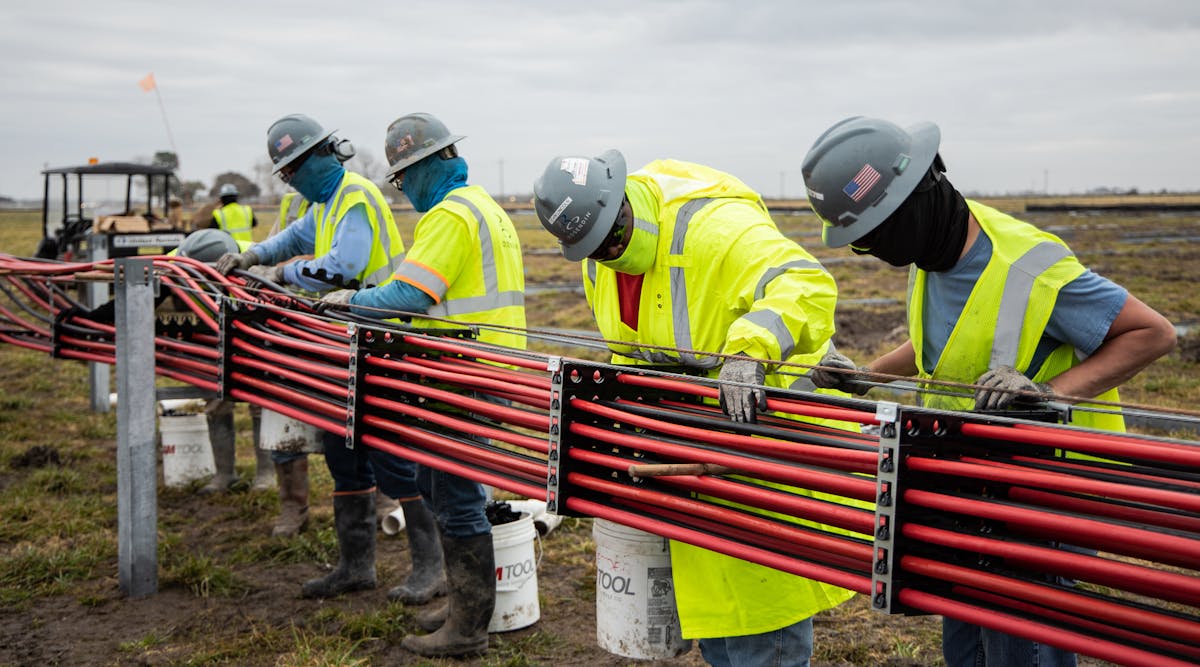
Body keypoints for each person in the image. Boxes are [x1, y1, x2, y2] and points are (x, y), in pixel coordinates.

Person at [800, 116, 1177, 667]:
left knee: (1020, 650)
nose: (878, 251)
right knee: (971, 650)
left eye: (879, 233)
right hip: (970, 485)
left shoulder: (1028, 267)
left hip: (1043, 492)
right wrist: (869, 376)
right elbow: (943, 341)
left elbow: (1153, 333)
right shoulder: (934, 248)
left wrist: (1049, 393)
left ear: (920, 193)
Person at [532, 149, 868, 667]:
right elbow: (631, 348)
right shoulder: (599, 260)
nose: (610, 251)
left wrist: (749, 349)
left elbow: (804, 282)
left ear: (621, 199)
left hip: (762, 451)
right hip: (693, 452)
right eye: (594, 248)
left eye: (613, 235)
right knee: (717, 625)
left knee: (760, 620)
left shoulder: (714, 227)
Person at [320, 112, 526, 657]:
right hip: (483, 372)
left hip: (467, 378)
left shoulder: (450, 216)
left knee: (455, 497)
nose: (403, 188)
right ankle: (464, 604)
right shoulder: (485, 207)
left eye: (404, 176)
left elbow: (411, 295)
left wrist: (351, 303)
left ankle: (467, 631)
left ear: (430, 165)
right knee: (442, 487)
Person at [214, 113, 410, 599]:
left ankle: (427, 568)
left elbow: (344, 267)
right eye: (287, 173)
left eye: (295, 168)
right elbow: (294, 238)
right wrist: (252, 256)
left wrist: (284, 274)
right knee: (343, 455)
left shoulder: (356, 196)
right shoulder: (324, 203)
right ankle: (355, 567)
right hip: (343, 343)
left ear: (325, 155)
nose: (292, 178)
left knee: (386, 455)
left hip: (376, 340)